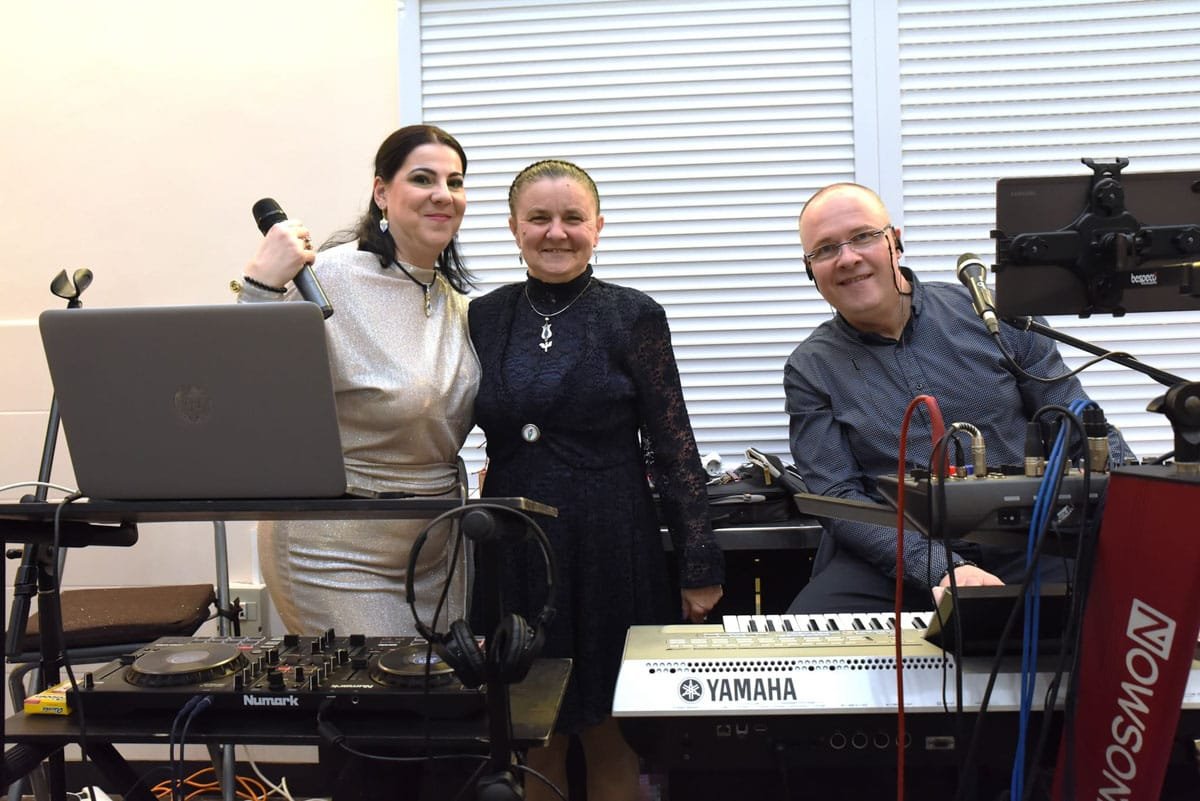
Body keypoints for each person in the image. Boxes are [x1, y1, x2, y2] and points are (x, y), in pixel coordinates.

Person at [468, 159, 724, 801]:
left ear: (598, 227)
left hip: (612, 543)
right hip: (517, 547)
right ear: (513, 228)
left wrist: (699, 558)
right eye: (539, 218)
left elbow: (674, 445)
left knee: (612, 733)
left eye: (573, 218)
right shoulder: (482, 315)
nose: (556, 232)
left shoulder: (633, 315)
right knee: (533, 733)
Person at [784, 182, 1129, 614]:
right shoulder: (810, 367)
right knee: (806, 631)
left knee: (1118, 608)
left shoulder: (995, 318)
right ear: (810, 270)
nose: (848, 258)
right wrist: (937, 567)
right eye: (825, 249)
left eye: (863, 236)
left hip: (1025, 544)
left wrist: (1141, 510)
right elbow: (837, 494)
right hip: (895, 555)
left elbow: (1079, 429)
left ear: (896, 242)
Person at [236, 124, 479, 637]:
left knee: (438, 709)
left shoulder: (456, 304)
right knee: (378, 711)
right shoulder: (327, 280)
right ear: (381, 192)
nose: (443, 195)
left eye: (455, 182)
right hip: (334, 550)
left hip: (437, 551)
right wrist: (260, 284)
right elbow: (243, 386)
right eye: (423, 178)